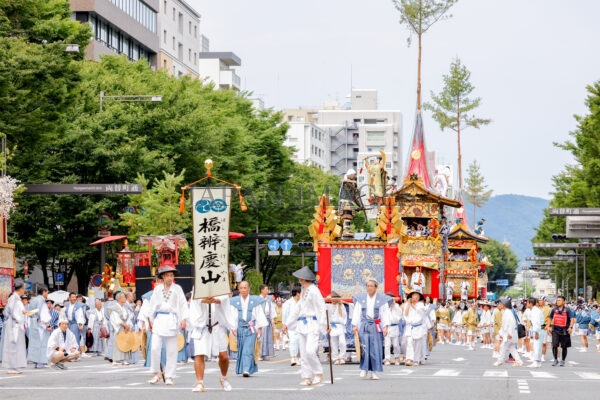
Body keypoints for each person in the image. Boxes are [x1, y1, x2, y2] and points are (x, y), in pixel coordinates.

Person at [283, 267, 327, 385]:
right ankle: (306, 376)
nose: (299, 280)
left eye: (300, 278)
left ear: (303, 278)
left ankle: (318, 372)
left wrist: (324, 324)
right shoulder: (303, 290)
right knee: (303, 352)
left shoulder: (314, 290)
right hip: (301, 324)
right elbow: (297, 310)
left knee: (310, 351)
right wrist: (286, 323)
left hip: (312, 323)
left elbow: (321, 308)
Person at [147, 265, 188, 385]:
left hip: (172, 319)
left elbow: (183, 304)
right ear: (163, 277)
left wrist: (184, 319)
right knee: (154, 348)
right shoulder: (157, 289)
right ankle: (156, 373)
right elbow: (152, 305)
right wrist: (150, 320)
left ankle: (169, 375)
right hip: (159, 319)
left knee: (171, 350)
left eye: (171, 275)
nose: (170, 278)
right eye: (167, 276)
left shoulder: (177, 288)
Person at [189, 291, 235, 392]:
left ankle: (224, 378)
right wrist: (204, 299)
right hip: (202, 326)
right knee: (199, 354)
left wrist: (217, 300)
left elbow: (225, 298)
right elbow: (195, 299)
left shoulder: (219, 284)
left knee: (223, 356)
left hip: (217, 325)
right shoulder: (198, 284)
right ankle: (199, 382)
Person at [352, 280, 389, 379]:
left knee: (375, 348)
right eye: (368, 286)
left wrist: (385, 326)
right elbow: (357, 313)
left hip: (376, 325)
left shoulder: (381, 299)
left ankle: (374, 372)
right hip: (364, 324)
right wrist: (355, 325)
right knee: (364, 347)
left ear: (376, 287)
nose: (369, 288)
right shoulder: (361, 299)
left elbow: (385, 313)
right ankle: (364, 369)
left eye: (371, 286)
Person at [230, 281, 267, 377]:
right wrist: (233, 327)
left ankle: (246, 369)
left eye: (245, 287)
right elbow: (233, 315)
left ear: (249, 289)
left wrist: (259, 328)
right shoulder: (235, 301)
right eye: (241, 288)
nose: (243, 290)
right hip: (240, 327)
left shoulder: (254, 301)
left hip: (251, 328)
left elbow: (259, 314)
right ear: (239, 289)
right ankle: (243, 368)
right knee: (241, 348)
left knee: (249, 348)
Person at [1, 280, 27, 374]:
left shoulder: (16, 298)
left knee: (16, 345)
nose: (24, 290)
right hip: (13, 324)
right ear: (21, 289)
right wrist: (18, 317)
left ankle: (14, 366)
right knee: (12, 345)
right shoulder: (14, 298)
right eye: (24, 288)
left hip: (16, 323)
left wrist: (23, 313)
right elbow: (11, 311)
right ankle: (11, 367)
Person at [27, 286, 51, 368]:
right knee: (42, 343)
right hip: (40, 324)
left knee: (35, 343)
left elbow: (29, 312)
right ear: (44, 292)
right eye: (47, 292)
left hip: (33, 322)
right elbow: (43, 314)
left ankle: (37, 361)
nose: (47, 294)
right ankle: (41, 362)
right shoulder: (41, 301)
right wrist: (48, 325)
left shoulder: (33, 300)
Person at [494, 297, 522, 367]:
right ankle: (519, 361)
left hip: (509, 334)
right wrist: (501, 333)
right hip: (507, 333)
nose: (500, 305)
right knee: (512, 348)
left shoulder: (508, 312)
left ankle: (499, 361)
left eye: (501, 304)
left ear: (504, 305)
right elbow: (504, 325)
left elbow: (512, 323)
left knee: (503, 347)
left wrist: (510, 333)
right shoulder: (506, 312)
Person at [549, 295, 575, 367]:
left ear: (563, 302)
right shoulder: (554, 310)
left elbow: (572, 319)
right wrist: (548, 326)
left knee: (564, 346)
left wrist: (571, 327)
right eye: (557, 300)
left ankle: (563, 360)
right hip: (555, 330)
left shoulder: (567, 310)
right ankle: (555, 359)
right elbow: (550, 318)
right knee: (554, 345)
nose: (558, 302)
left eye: (559, 300)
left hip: (564, 331)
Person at [403, 290, 427, 366]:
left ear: (419, 297)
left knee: (418, 344)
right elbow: (405, 314)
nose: (415, 297)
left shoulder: (421, 305)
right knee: (409, 342)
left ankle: (416, 359)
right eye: (414, 295)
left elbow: (420, 312)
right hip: (410, 326)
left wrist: (412, 305)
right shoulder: (408, 304)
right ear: (411, 296)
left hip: (418, 327)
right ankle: (409, 358)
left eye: (417, 296)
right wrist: (408, 304)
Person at [109, 292, 133, 366]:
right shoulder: (114, 308)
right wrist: (124, 325)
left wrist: (128, 325)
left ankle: (124, 359)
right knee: (117, 343)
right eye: (123, 297)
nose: (125, 298)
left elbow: (129, 317)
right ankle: (115, 360)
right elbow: (115, 319)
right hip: (119, 327)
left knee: (125, 343)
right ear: (119, 299)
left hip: (125, 327)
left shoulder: (125, 308)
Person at [327, 291, 347, 365]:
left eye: (335, 298)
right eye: (332, 298)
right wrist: (328, 325)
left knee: (342, 342)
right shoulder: (328, 306)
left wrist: (340, 302)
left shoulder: (341, 306)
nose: (333, 300)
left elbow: (344, 316)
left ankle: (342, 357)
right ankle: (335, 358)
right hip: (332, 326)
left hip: (340, 326)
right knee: (333, 343)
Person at [282, 287, 301, 366]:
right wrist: (284, 325)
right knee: (293, 341)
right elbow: (285, 315)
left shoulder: (302, 302)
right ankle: (293, 358)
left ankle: (298, 358)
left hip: (300, 325)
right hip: (290, 325)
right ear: (297, 293)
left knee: (299, 342)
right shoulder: (288, 303)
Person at [64, 292, 86, 358]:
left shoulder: (78, 305)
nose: (74, 298)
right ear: (69, 298)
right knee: (68, 339)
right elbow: (65, 314)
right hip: (68, 323)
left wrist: (80, 324)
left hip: (75, 323)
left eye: (75, 297)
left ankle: (76, 355)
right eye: (72, 297)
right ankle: (69, 354)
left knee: (75, 339)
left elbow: (80, 315)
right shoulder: (67, 304)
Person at [385, 292, 403, 365]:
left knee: (395, 344)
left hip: (395, 326)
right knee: (387, 344)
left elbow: (399, 315)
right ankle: (387, 359)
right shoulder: (385, 306)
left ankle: (397, 357)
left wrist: (393, 305)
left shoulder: (397, 306)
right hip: (387, 327)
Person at [258, 285, 275, 360]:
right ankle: (259, 354)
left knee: (268, 337)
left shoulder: (268, 298)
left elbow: (271, 309)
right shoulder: (258, 299)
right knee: (261, 337)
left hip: (268, 319)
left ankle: (265, 354)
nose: (267, 291)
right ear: (262, 290)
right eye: (266, 289)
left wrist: (272, 320)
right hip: (261, 319)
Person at [528, 298, 544, 368]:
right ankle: (538, 362)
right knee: (537, 346)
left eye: (527, 303)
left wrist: (536, 332)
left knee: (537, 346)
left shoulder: (536, 311)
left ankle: (536, 362)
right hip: (537, 329)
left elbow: (536, 322)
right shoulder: (534, 310)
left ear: (530, 303)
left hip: (538, 330)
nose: (526, 304)